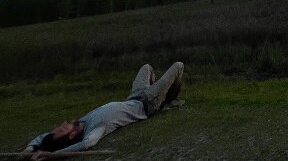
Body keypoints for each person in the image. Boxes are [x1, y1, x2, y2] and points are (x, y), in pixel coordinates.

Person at [22, 62, 184, 158]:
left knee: (146, 67)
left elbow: (43, 137)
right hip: (148, 103)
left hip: (135, 96)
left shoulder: (84, 121)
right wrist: (52, 156)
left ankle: (161, 93)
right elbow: (87, 144)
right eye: (64, 128)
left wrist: (30, 149)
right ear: (71, 135)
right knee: (178, 66)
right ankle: (167, 100)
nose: (65, 122)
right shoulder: (94, 129)